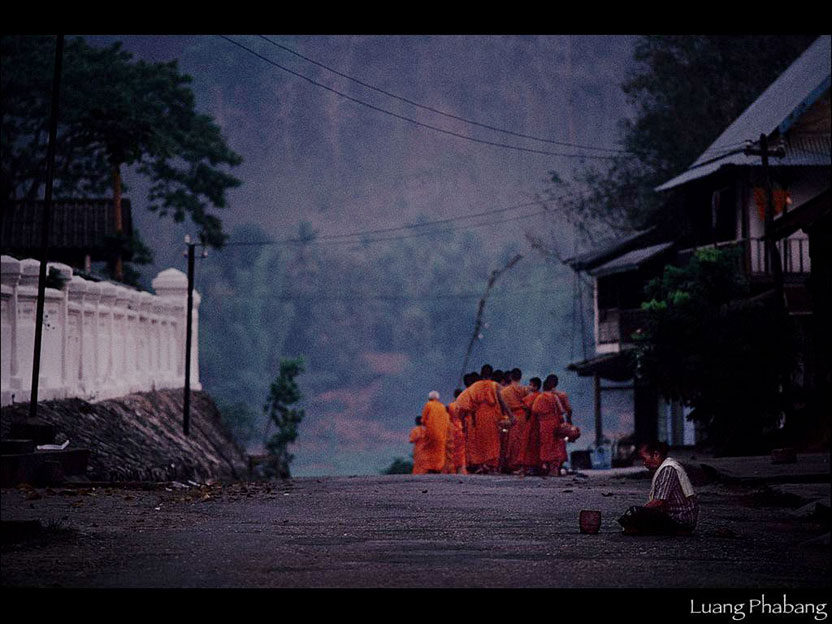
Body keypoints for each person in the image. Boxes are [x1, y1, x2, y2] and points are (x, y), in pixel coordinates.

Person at [617, 440, 699, 535]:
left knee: (635, 513)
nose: (644, 463)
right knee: (638, 515)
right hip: (677, 518)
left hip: (681, 520)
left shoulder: (668, 469)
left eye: (644, 459)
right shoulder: (665, 467)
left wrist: (640, 512)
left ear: (656, 454)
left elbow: (659, 501)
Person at [459, 364, 512, 474]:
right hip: (493, 415)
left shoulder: (474, 387)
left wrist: (471, 420)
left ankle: (482, 464)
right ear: (491, 374)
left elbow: (469, 404)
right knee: (493, 441)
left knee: (481, 440)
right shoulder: (495, 385)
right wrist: (510, 415)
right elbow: (503, 402)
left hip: (479, 416)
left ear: (481, 374)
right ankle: (490, 465)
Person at [532, 375, 568, 476]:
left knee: (546, 444)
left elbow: (535, 409)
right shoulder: (555, 397)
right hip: (555, 422)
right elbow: (561, 410)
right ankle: (555, 468)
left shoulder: (541, 397)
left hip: (544, 423)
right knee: (555, 444)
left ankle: (547, 467)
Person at [503, 368, 531, 474]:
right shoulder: (524, 390)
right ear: (521, 377)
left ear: (510, 377)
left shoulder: (505, 391)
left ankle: (510, 463)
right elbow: (529, 404)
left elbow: (503, 406)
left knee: (510, 441)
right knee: (521, 440)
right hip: (523, 416)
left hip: (510, 416)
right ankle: (519, 463)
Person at [421, 391, 451, 474]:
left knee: (430, 449)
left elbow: (423, 419)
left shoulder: (428, 404)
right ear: (437, 398)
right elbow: (447, 419)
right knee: (440, 450)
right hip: (442, 432)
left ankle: (431, 468)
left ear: (429, 398)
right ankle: (438, 468)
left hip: (431, 432)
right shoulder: (442, 406)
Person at [520, 377, 542, 475]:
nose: (529, 387)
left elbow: (526, 408)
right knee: (534, 445)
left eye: (531, 385)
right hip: (538, 423)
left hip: (531, 421)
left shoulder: (532, 396)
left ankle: (529, 467)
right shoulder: (541, 396)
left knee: (528, 444)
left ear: (536, 386)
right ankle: (535, 466)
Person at [445, 388, 468, 474]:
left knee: (452, 451)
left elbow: (449, 417)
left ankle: (452, 469)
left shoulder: (450, 405)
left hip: (452, 429)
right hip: (461, 428)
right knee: (461, 451)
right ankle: (461, 468)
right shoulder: (463, 405)